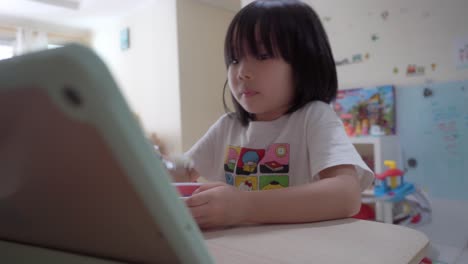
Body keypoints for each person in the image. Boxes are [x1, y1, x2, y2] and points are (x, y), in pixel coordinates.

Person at [175, 0, 374, 230]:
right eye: (234, 59)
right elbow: (180, 172)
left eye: (262, 55)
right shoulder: (228, 126)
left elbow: (346, 195)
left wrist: (245, 206)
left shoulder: (314, 117)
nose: (242, 72)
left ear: (305, 63)